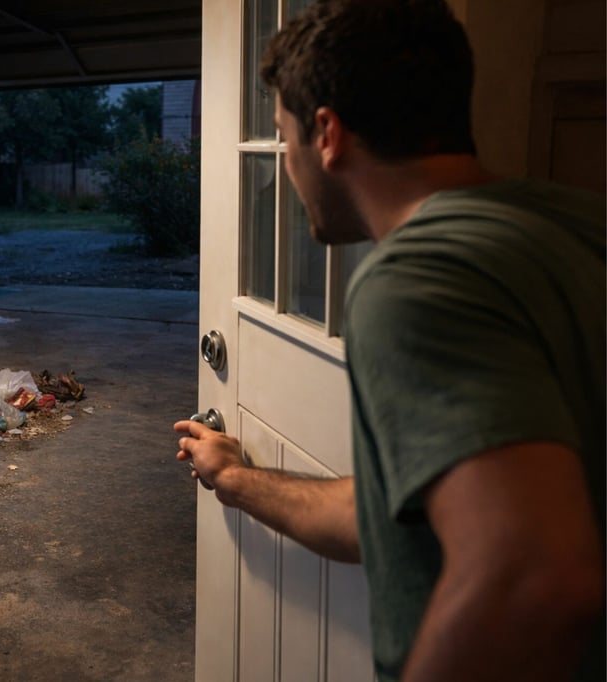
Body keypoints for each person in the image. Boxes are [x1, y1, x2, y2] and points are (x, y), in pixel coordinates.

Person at [174, 1, 606, 680]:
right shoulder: (574, 223)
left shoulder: (417, 277)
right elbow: (406, 515)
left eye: (285, 140)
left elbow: (531, 579)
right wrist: (237, 480)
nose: (287, 167)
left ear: (327, 134)